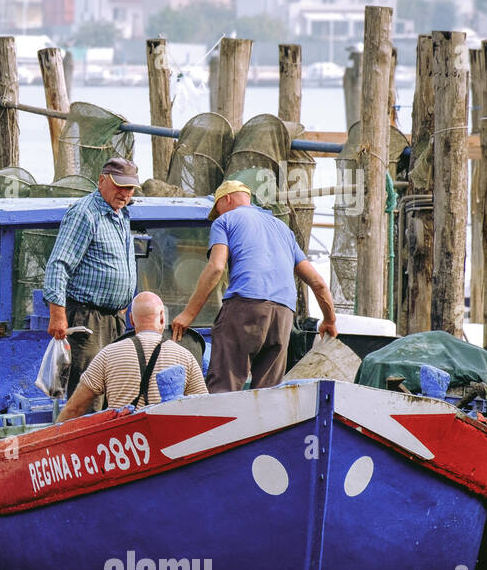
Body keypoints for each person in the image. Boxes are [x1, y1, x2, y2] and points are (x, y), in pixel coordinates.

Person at [171, 180, 338, 393]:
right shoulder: (282, 229)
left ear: (227, 199)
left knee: (225, 389)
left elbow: (216, 268)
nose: (218, 215)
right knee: (269, 395)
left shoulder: (225, 221)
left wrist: (188, 314)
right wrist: (330, 320)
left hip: (245, 308)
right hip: (283, 315)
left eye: (217, 210)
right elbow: (318, 283)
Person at [43, 157, 140, 398]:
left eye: (130, 188)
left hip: (115, 320)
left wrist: (124, 305)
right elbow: (58, 265)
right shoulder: (85, 213)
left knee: (112, 390)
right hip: (88, 320)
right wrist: (58, 315)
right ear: (101, 181)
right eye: (119, 186)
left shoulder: (121, 214)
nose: (125, 193)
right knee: (89, 393)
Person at [59, 292, 207, 419]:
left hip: (123, 447)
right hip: (168, 443)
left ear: (131, 319)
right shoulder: (185, 356)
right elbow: (205, 408)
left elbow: (74, 409)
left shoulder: (107, 354)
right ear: (162, 318)